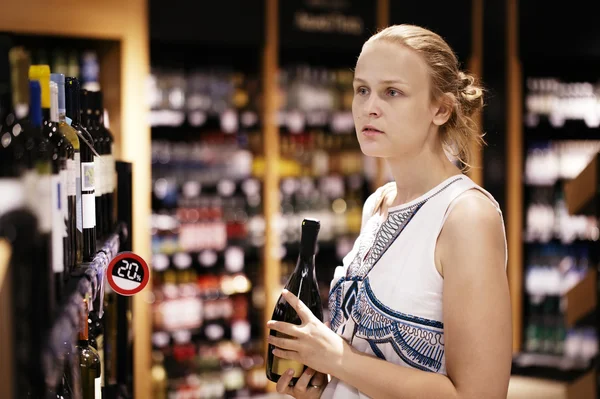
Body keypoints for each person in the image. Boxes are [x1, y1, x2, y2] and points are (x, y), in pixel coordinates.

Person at [266, 24, 512, 399]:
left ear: (441, 109)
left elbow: (478, 394)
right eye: (361, 90)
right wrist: (329, 387)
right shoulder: (378, 203)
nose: (369, 107)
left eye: (392, 92)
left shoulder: (466, 217)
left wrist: (339, 361)